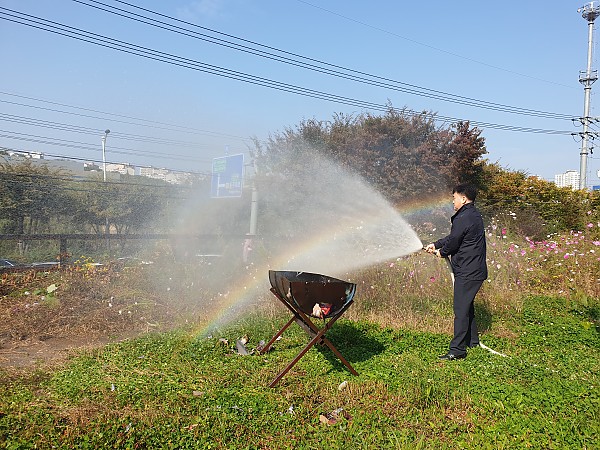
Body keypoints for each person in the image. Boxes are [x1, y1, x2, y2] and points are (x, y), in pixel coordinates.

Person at [425, 183, 488, 361]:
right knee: (467, 306)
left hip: (468, 272)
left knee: (460, 310)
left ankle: (457, 350)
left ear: (463, 198)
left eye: (454, 198)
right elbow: (454, 237)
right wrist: (436, 244)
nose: (452, 202)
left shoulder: (464, 217)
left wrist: (442, 252)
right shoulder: (471, 215)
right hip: (473, 270)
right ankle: (472, 341)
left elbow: (453, 242)